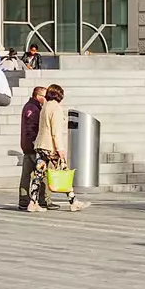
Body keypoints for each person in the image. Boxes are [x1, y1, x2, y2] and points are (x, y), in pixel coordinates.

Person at [30, 83, 85, 211]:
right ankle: (73, 201)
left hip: (41, 144)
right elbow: (56, 131)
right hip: (51, 147)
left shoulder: (45, 107)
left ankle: (33, 202)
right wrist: (60, 149)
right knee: (64, 171)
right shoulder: (56, 108)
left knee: (38, 175)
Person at [17, 85, 48, 211]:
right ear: (38, 96)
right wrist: (37, 143)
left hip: (27, 145)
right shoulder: (33, 108)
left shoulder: (30, 106)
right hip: (33, 145)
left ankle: (24, 200)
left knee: (26, 175)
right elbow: (31, 128)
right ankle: (43, 200)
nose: (46, 99)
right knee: (41, 173)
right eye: (45, 96)